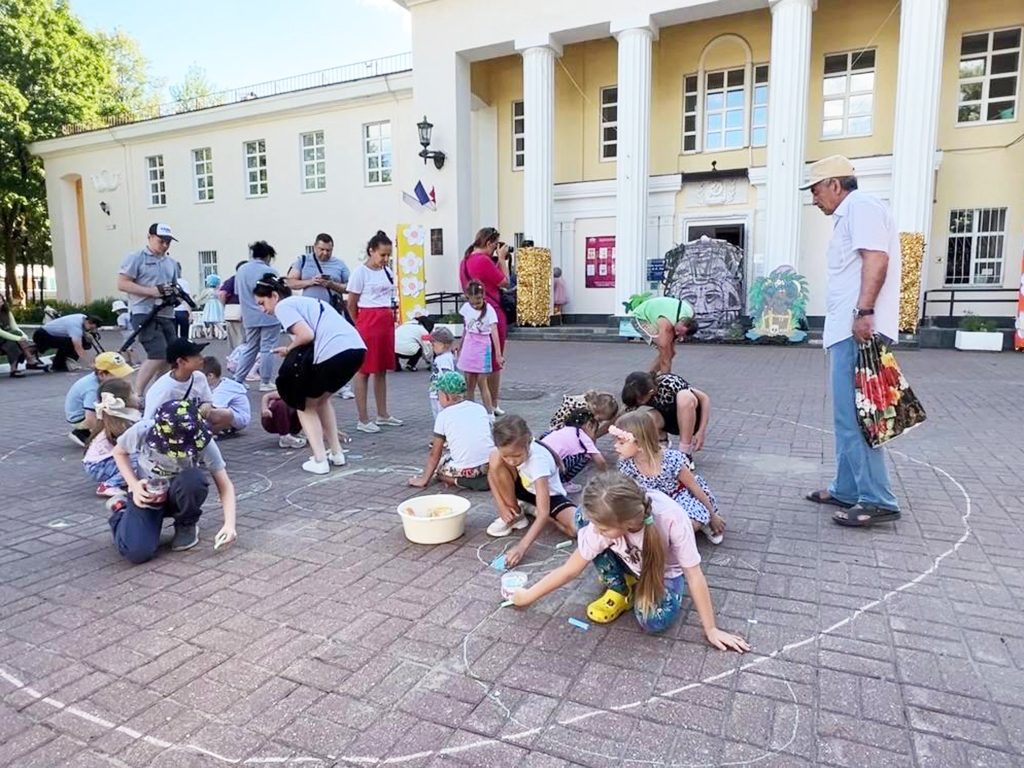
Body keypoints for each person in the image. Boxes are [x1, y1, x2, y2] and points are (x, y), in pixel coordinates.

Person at [508, 473, 750, 650]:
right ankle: (620, 588)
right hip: (630, 561)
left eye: (603, 527)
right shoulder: (604, 524)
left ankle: (635, 584)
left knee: (652, 621)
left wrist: (711, 629)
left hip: (661, 573)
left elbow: (694, 575)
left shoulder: (671, 519)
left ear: (625, 522)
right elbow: (570, 570)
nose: (596, 530)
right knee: (582, 516)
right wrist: (527, 596)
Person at [802, 155, 902, 527]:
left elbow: (876, 259)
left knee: (859, 417)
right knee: (846, 416)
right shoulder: (854, 212)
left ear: (833, 184)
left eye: (815, 190)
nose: (814, 199)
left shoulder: (860, 207)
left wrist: (863, 312)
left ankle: (877, 498)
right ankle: (847, 487)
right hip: (846, 329)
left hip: (855, 329)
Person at [254, 274, 366, 475]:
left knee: (303, 404)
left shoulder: (283, 306)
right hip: (356, 350)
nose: (263, 309)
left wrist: (288, 349)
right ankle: (336, 453)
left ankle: (320, 459)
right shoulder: (307, 301)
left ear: (274, 296)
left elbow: (306, 335)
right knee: (321, 401)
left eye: (262, 303)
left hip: (333, 351)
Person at [110, 400, 237, 562]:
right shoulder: (142, 430)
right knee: (137, 552)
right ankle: (120, 512)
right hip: (148, 495)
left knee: (193, 479)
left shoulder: (202, 440)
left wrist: (229, 525)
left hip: (179, 494)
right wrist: (133, 485)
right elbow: (119, 452)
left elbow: (225, 485)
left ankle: (186, 524)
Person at [612, 410, 725, 544]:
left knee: (689, 524)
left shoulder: (671, 459)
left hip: (679, 497)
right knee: (655, 530)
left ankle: (704, 522)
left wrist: (713, 515)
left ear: (640, 443)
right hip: (654, 502)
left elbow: (694, 487)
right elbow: (629, 493)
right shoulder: (626, 465)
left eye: (621, 443)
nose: (615, 446)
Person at [485, 415, 576, 566]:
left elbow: (544, 511)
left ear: (528, 442)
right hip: (524, 488)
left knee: (575, 529)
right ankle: (517, 512)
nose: (512, 461)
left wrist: (522, 547)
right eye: (506, 456)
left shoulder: (538, 461)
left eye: (517, 455)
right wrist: (502, 506)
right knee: (494, 459)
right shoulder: (500, 453)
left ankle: (531, 509)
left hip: (549, 496)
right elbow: (491, 474)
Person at [116, 223, 182, 395]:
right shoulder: (136, 257)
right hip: (144, 312)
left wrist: (175, 292)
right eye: (161, 241)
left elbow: (174, 285)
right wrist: (151, 291)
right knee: (157, 353)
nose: (165, 245)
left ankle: (158, 393)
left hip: (166, 313)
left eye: (168, 242)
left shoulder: (171, 262)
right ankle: (136, 394)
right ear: (150, 237)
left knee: (170, 356)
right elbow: (122, 284)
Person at [348, 230, 402, 434]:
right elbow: (351, 303)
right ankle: (363, 418)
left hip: (384, 323)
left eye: (388, 255)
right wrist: (359, 324)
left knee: (381, 370)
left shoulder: (386, 271)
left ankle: (383, 414)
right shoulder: (360, 273)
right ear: (372, 251)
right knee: (363, 370)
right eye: (382, 255)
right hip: (368, 323)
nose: (385, 259)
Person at [409, 372, 494, 491]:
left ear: (446, 395)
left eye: (439, 394)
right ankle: (487, 478)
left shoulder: (443, 416)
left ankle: (460, 481)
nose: (438, 398)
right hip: (489, 464)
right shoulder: (479, 408)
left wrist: (424, 479)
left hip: (466, 470)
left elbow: (435, 453)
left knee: (439, 470)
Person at [460, 228, 511, 414]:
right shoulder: (483, 260)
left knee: (472, 369)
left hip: (473, 318)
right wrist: (503, 259)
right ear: (490, 243)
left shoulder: (465, 261)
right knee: (492, 364)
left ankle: (472, 406)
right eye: (495, 245)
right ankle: (493, 404)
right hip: (492, 312)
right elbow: (505, 282)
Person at [622, 371, 710, 459]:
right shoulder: (638, 394)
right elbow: (622, 414)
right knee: (646, 418)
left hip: (690, 419)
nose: (639, 403)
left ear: (651, 391)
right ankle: (662, 444)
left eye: (640, 400)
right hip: (667, 419)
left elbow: (704, 398)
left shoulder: (670, 383)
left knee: (684, 397)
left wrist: (701, 431)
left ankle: (685, 452)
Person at [82, 381, 141, 497]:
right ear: (123, 400)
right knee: (139, 460)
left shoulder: (114, 419)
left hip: (95, 464)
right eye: (132, 393)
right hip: (99, 466)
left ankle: (124, 478)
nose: (137, 395)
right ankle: (109, 485)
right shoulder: (122, 423)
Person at [64, 351, 135, 447]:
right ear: (102, 374)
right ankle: (83, 433)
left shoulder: (101, 381)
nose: (121, 378)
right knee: (114, 413)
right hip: (80, 418)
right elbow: (91, 418)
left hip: (88, 413)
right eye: (116, 375)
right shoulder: (92, 389)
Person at [457, 280, 503, 416]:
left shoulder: (490, 311)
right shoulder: (466, 308)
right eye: (473, 303)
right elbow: (465, 328)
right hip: (469, 346)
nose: (476, 306)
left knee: (482, 382)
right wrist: (460, 346)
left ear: (483, 296)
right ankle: (469, 412)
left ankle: (489, 414)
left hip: (483, 348)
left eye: (478, 302)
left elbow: (494, 333)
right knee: (469, 383)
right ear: (467, 298)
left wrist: (498, 354)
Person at [143, 338, 216, 424]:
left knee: (225, 415)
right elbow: (148, 422)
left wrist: (204, 408)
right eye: (195, 355)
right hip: (170, 430)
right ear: (180, 361)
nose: (202, 358)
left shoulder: (199, 377)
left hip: (194, 422)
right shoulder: (164, 389)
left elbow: (207, 400)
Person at [540, 410, 608, 493]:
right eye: (594, 431)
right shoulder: (582, 436)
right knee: (586, 456)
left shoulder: (563, 429)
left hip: (539, 462)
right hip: (549, 469)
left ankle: (553, 481)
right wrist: (605, 478)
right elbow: (601, 461)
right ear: (589, 426)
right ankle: (562, 483)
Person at [630, 296, 699, 374]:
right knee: (665, 353)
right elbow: (664, 353)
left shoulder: (690, 314)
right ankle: (658, 380)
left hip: (664, 311)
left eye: (681, 335)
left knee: (671, 353)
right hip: (641, 316)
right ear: (681, 322)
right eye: (677, 331)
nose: (676, 334)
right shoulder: (666, 324)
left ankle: (649, 377)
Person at [285, 233, 350, 308]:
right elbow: (290, 282)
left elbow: (350, 287)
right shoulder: (303, 261)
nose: (325, 253)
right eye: (321, 249)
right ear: (315, 247)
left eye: (328, 250)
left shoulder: (340, 264)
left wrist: (332, 285)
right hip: (309, 309)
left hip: (332, 309)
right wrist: (310, 282)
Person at [33, 312, 101, 372]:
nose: (91, 330)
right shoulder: (75, 327)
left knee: (83, 341)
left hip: (49, 334)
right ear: (89, 322)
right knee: (68, 343)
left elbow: (85, 332)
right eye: (91, 328)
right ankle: (58, 365)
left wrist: (93, 332)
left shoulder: (82, 317)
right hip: (42, 335)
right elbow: (78, 348)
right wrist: (91, 364)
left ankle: (67, 362)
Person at [203, 356, 251, 435]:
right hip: (234, 416)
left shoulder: (224, 389)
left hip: (240, 419)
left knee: (209, 411)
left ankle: (207, 432)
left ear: (210, 376)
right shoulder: (216, 384)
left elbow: (213, 407)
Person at [0, 295, 46, 375]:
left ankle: (14, 370)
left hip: (7, 339)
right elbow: (1, 332)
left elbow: (15, 327)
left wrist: (23, 336)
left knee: (12, 343)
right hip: (2, 338)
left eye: (0, 299)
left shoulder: (6, 312)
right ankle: (29, 359)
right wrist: (18, 338)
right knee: (14, 337)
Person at [549, 390, 619, 436]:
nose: (599, 421)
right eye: (600, 419)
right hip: (559, 430)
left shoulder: (590, 404)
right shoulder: (581, 409)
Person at [428, 327, 456, 418]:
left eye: (433, 345)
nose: (432, 348)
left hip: (441, 394)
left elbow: (447, 375)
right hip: (436, 392)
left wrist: (446, 393)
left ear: (441, 344)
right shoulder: (441, 357)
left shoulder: (445, 358)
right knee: (438, 415)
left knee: (441, 416)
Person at [218, 261, 247, 350]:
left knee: (234, 339)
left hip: (232, 310)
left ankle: (236, 358)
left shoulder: (232, 279)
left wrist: (225, 305)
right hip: (246, 310)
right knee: (245, 339)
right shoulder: (248, 280)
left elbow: (221, 294)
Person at [197, 274, 225, 339]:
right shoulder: (217, 290)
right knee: (212, 320)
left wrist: (197, 302)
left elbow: (201, 298)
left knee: (213, 320)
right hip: (217, 304)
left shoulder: (208, 290)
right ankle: (211, 334)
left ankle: (223, 332)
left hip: (210, 305)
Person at [173, 265, 193, 339]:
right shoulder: (184, 283)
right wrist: (190, 313)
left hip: (172, 312)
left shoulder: (168, 282)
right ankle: (184, 349)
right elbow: (187, 299)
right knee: (184, 335)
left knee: (172, 336)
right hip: (183, 311)